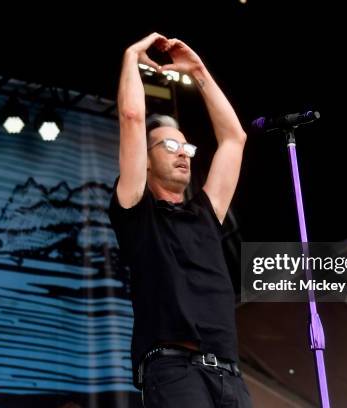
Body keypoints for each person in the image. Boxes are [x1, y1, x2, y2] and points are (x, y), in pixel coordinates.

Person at [108, 32, 251, 407]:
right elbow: (133, 117)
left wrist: (199, 72)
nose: (182, 153)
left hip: (230, 375)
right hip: (175, 372)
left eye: (186, 146)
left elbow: (234, 138)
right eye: (169, 146)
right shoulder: (136, 213)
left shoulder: (206, 212)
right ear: (147, 158)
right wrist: (131, 56)